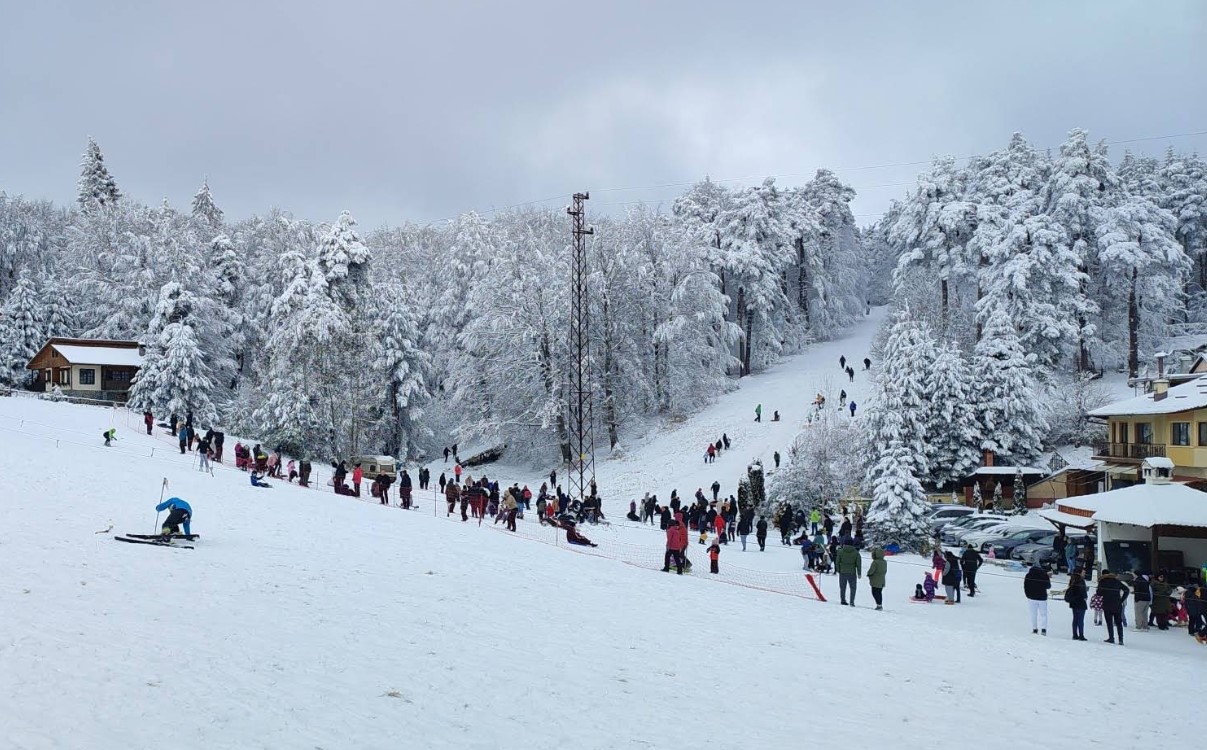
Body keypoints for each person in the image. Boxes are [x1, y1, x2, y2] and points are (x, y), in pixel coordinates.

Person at [1096, 569, 1130, 644]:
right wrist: (1122, 599)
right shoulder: (1116, 581)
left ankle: (1111, 638)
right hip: (1117, 604)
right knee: (1119, 623)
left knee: (1109, 622)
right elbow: (1127, 590)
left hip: (1107, 604)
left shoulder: (1102, 581)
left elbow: (1098, 593)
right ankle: (1121, 640)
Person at [1024, 564, 1050, 635]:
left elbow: (1025, 586)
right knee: (1043, 614)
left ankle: (1034, 629)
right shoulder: (1044, 575)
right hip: (1042, 598)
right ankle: (1043, 629)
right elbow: (1048, 586)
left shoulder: (1028, 575)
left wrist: (1028, 595)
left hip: (1032, 598)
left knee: (1033, 614)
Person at [1065, 570, 1089, 641]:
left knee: (1075, 618)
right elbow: (1083, 591)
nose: (1084, 574)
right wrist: (1085, 597)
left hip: (1073, 602)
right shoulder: (1081, 581)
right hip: (1080, 602)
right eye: (1083, 572)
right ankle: (1081, 635)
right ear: (1080, 573)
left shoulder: (1072, 579)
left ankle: (1075, 634)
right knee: (1080, 619)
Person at [836, 539, 861, 606]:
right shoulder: (856, 552)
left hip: (843, 571)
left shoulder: (841, 551)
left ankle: (843, 600)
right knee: (853, 588)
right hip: (852, 572)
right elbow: (858, 563)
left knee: (843, 587)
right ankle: (852, 601)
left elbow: (837, 562)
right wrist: (859, 573)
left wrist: (838, 570)